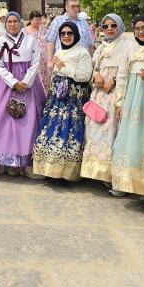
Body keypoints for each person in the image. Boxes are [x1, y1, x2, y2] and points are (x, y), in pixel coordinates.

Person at [0, 11, 45, 178]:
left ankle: (26, 162)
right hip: (7, 84)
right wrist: (14, 82)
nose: (12, 24)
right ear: (5, 24)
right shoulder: (0, 42)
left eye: (15, 21)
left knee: (29, 120)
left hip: (28, 83)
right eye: (9, 21)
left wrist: (26, 81)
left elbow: (35, 62)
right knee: (6, 121)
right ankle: (9, 161)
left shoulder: (30, 40)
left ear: (20, 23)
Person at [111, 15, 144, 208]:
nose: (141, 31)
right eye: (137, 28)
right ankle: (128, 183)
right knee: (128, 139)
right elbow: (122, 77)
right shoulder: (129, 48)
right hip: (131, 100)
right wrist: (119, 102)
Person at [32, 22, 92, 180]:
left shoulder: (82, 52)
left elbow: (85, 75)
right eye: (63, 33)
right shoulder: (59, 50)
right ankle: (50, 169)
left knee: (68, 131)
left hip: (72, 99)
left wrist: (62, 67)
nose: (66, 36)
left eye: (70, 33)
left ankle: (66, 172)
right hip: (57, 97)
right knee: (52, 129)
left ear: (76, 35)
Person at [81, 14, 134, 187]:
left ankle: (110, 175)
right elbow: (94, 65)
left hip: (115, 94)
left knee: (112, 130)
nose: (109, 29)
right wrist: (96, 74)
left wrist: (115, 82)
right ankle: (94, 171)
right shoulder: (101, 47)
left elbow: (131, 70)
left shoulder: (129, 45)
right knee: (94, 128)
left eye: (113, 25)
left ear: (120, 26)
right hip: (99, 93)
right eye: (105, 26)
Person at [45, 0, 95, 74]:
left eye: (77, 6)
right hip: (62, 63)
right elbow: (51, 42)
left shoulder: (84, 23)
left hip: (81, 63)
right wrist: (50, 61)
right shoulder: (57, 21)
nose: (76, 9)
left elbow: (90, 44)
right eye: (73, 6)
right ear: (66, 7)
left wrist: (91, 61)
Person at [22, 10, 51, 94]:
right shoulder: (25, 31)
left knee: (45, 80)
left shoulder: (44, 30)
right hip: (32, 61)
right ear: (31, 19)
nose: (38, 21)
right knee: (34, 79)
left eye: (39, 19)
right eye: (36, 19)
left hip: (44, 61)